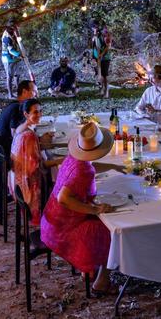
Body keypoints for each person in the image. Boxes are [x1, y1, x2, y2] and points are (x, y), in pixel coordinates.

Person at [41, 122, 116, 294]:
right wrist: (95, 210)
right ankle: (101, 281)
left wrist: (114, 167)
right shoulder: (84, 171)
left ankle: (87, 270)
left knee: (100, 221)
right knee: (112, 231)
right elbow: (64, 198)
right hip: (63, 230)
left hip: (51, 220)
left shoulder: (74, 158)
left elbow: (88, 168)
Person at [10, 99, 62, 226]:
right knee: (60, 181)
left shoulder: (21, 128)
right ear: (26, 114)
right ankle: (52, 221)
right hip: (28, 184)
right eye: (35, 112)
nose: (39, 114)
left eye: (40, 111)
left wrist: (41, 141)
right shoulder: (29, 136)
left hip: (16, 180)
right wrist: (62, 161)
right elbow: (38, 166)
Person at [0, 80, 37, 164]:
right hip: (5, 155)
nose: (35, 96)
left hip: (2, 149)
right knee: (39, 159)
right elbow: (16, 136)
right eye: (34, 91)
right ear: (24, 91)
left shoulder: (15, 104)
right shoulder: (17, 108)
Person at [1, 19, 23, 98]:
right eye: (14, 27)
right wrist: (19, 54)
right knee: (10, 76)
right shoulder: (6, 36)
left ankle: (18, 92)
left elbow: (18, 41)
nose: (16, 28)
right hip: (8, 59)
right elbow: (10, 50)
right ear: (9, 27)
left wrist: (17, 33)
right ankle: (10, 94)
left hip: (15, 58)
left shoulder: (13, 32)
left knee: (17, 75)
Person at [90, 22, 112, 98]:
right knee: (100, 75)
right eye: (93, 28)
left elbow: (108, 46)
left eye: (95, 27)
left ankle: (107, 92)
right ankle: (102, 90)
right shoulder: (94, 36)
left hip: (105, 58)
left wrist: (101, 54)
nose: (94, 29)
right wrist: (93, 56)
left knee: (105, 75)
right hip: (97, 58)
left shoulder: (104, 35)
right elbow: (93, 47)